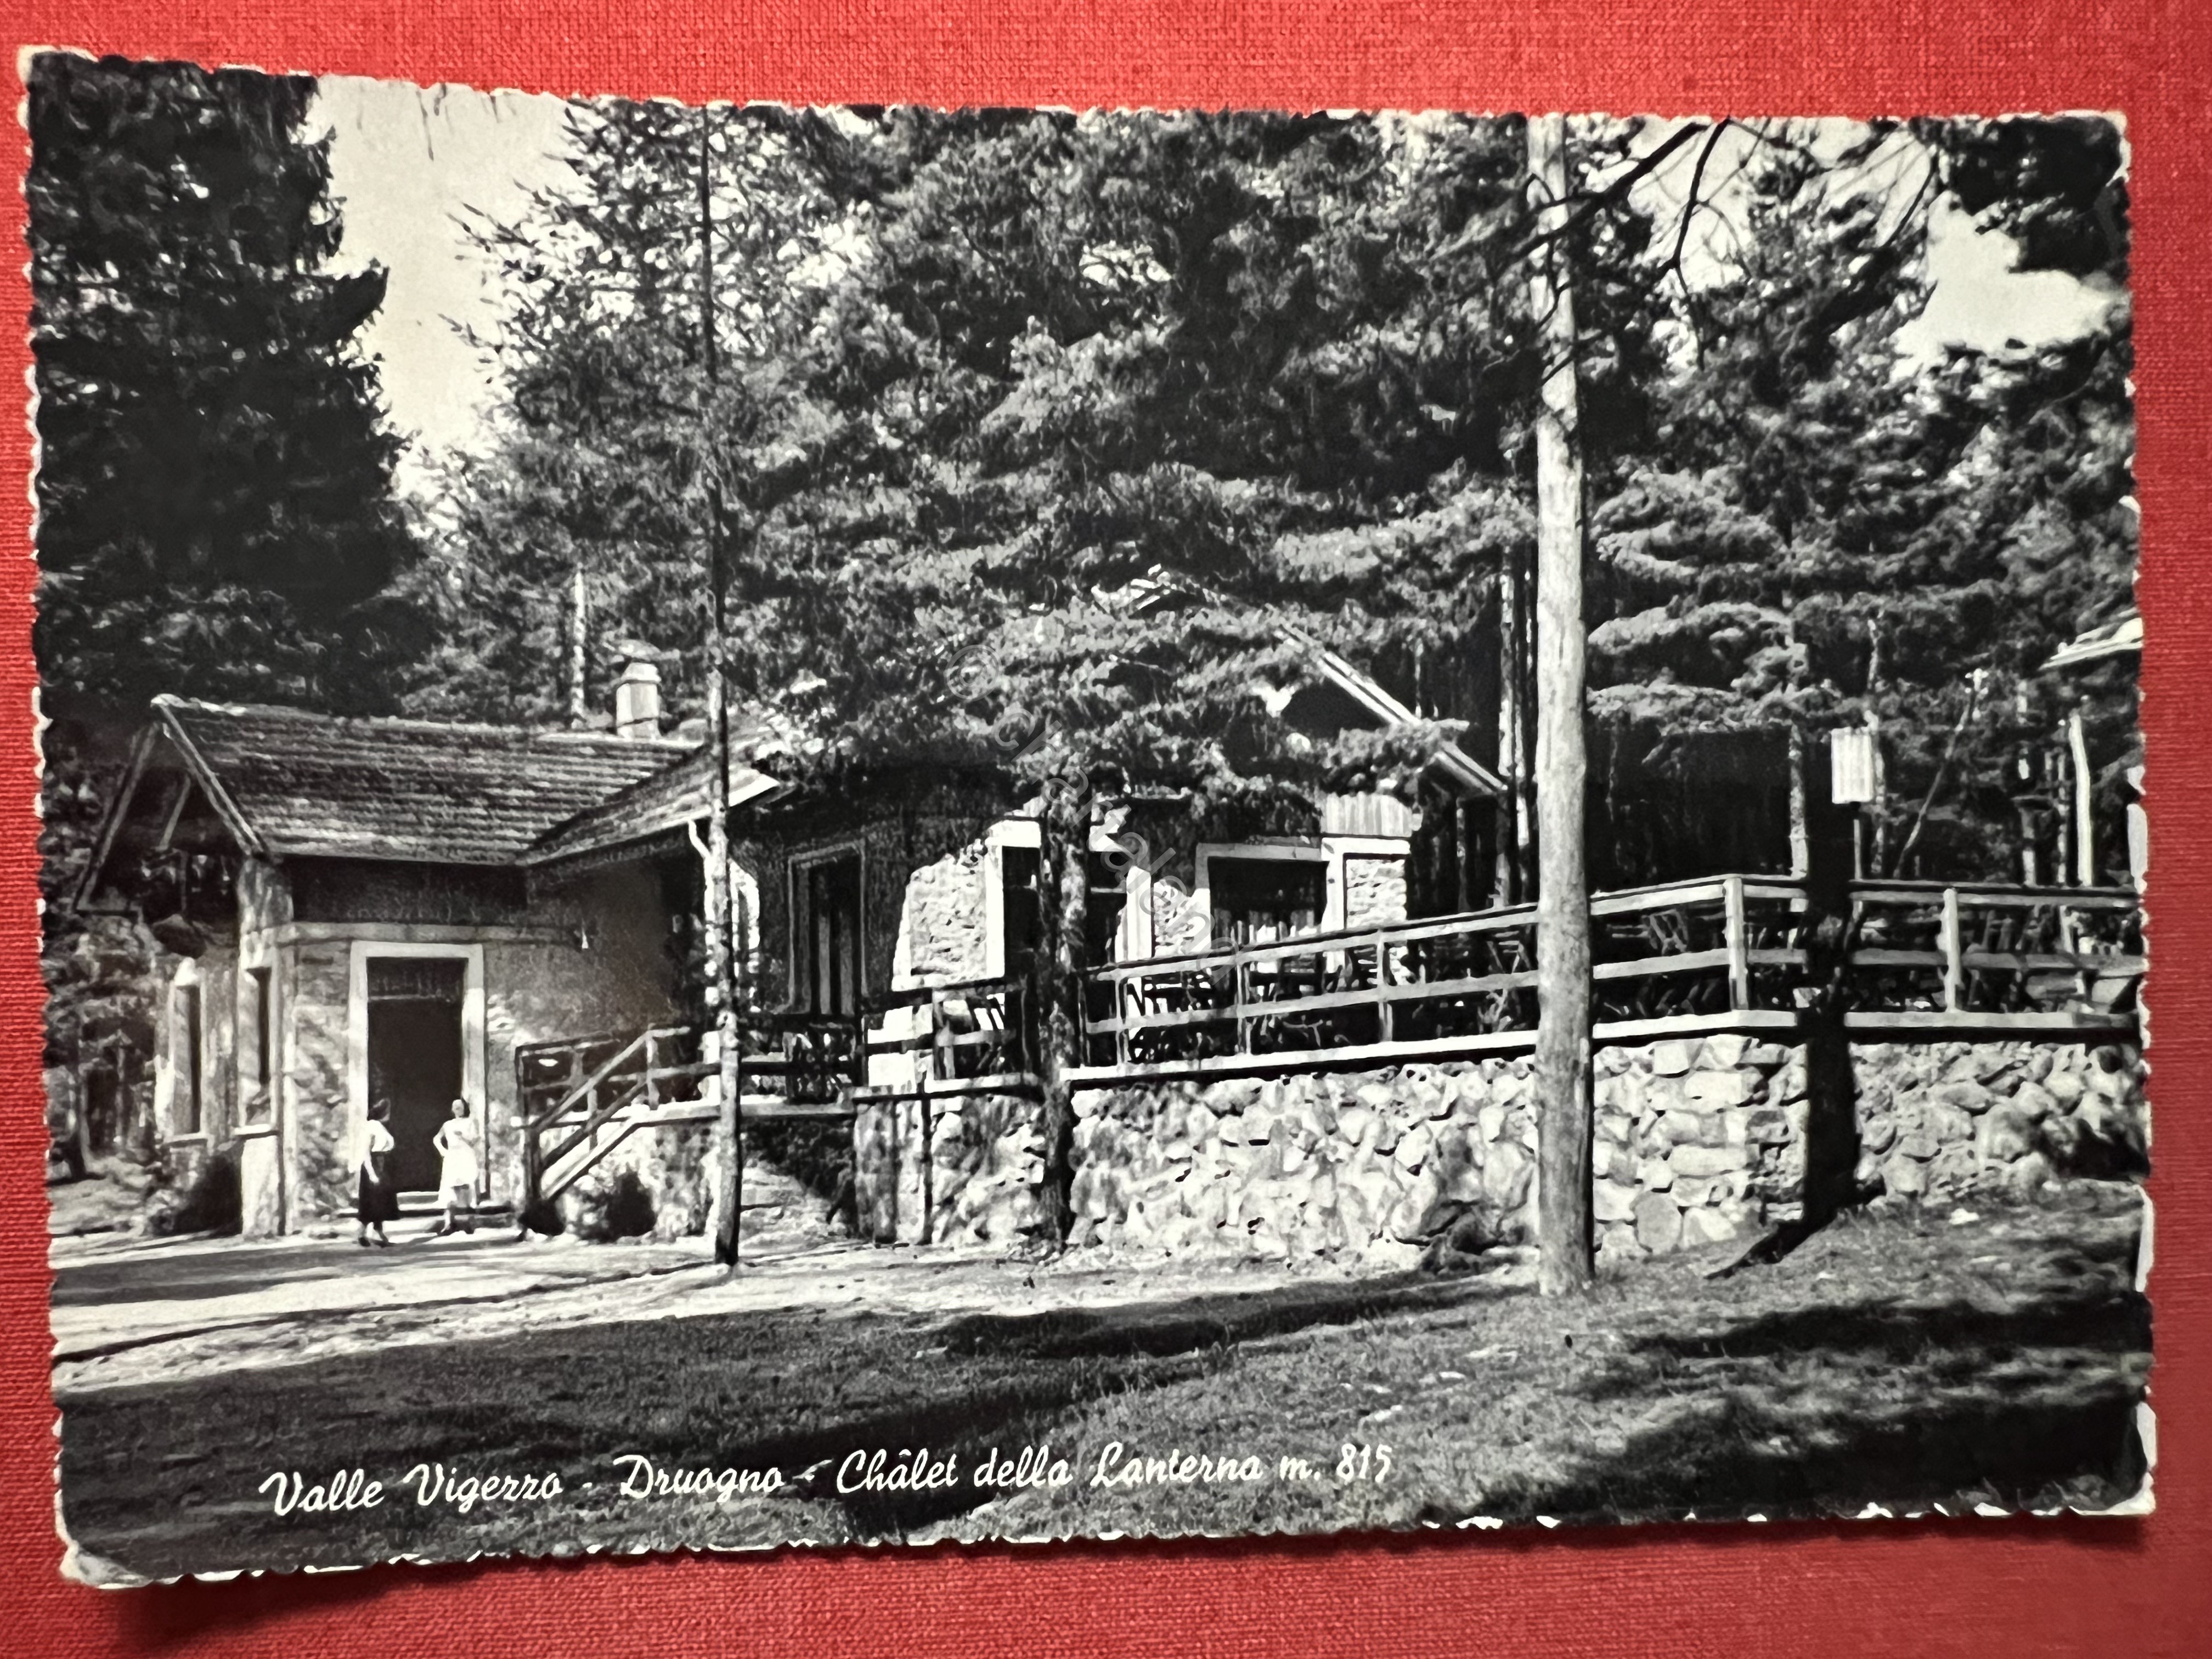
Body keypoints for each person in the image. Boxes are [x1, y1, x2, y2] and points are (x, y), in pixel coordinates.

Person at [431, 1098, 481, 1236]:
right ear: (452, 1109)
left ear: (465, 1108)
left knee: (468, 1187)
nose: (458, 1109)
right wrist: (443, 1151)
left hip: (466, 1155)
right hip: (452, 1157)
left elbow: (475, 1140)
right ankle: (449, 1223)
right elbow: (436, 1138)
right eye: (455, 1107)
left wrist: (463, 1136)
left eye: (460, 1107)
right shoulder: (448, 1124)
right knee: (450, 1189)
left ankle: (470, 1223)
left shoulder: (470, 1122)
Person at [356, 1098, 398, 1248]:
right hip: (373, 1165)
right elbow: (366, 1152)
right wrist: (372, 1173)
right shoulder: (371, 1127)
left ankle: (377, 1234)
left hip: (382, 1164)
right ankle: (362, 1233)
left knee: (381, 1202)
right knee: (373, 1202)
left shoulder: (380, 1126)